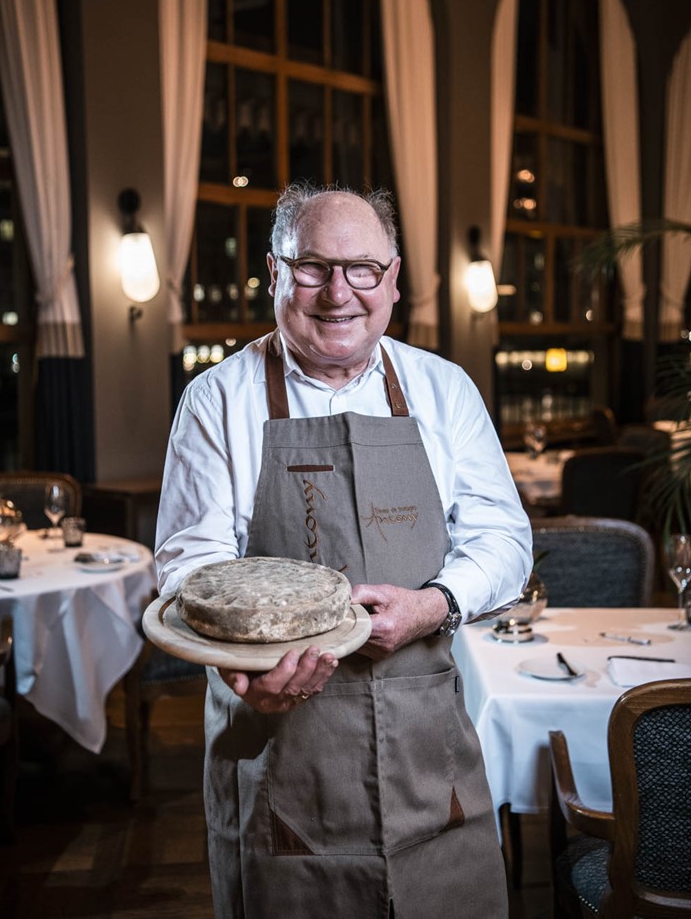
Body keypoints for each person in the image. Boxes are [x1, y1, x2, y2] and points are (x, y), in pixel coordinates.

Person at [155, 183, 532, 919]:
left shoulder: (443, 390)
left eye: (362, 268)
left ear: (393, 279)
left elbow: (504, 538)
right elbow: (189, 572)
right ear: (273, 273)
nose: (338, 293)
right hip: (282, 749)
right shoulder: (216, 399)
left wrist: (435, 603)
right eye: (312, 267)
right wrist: (249, 676)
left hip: (433, 756)